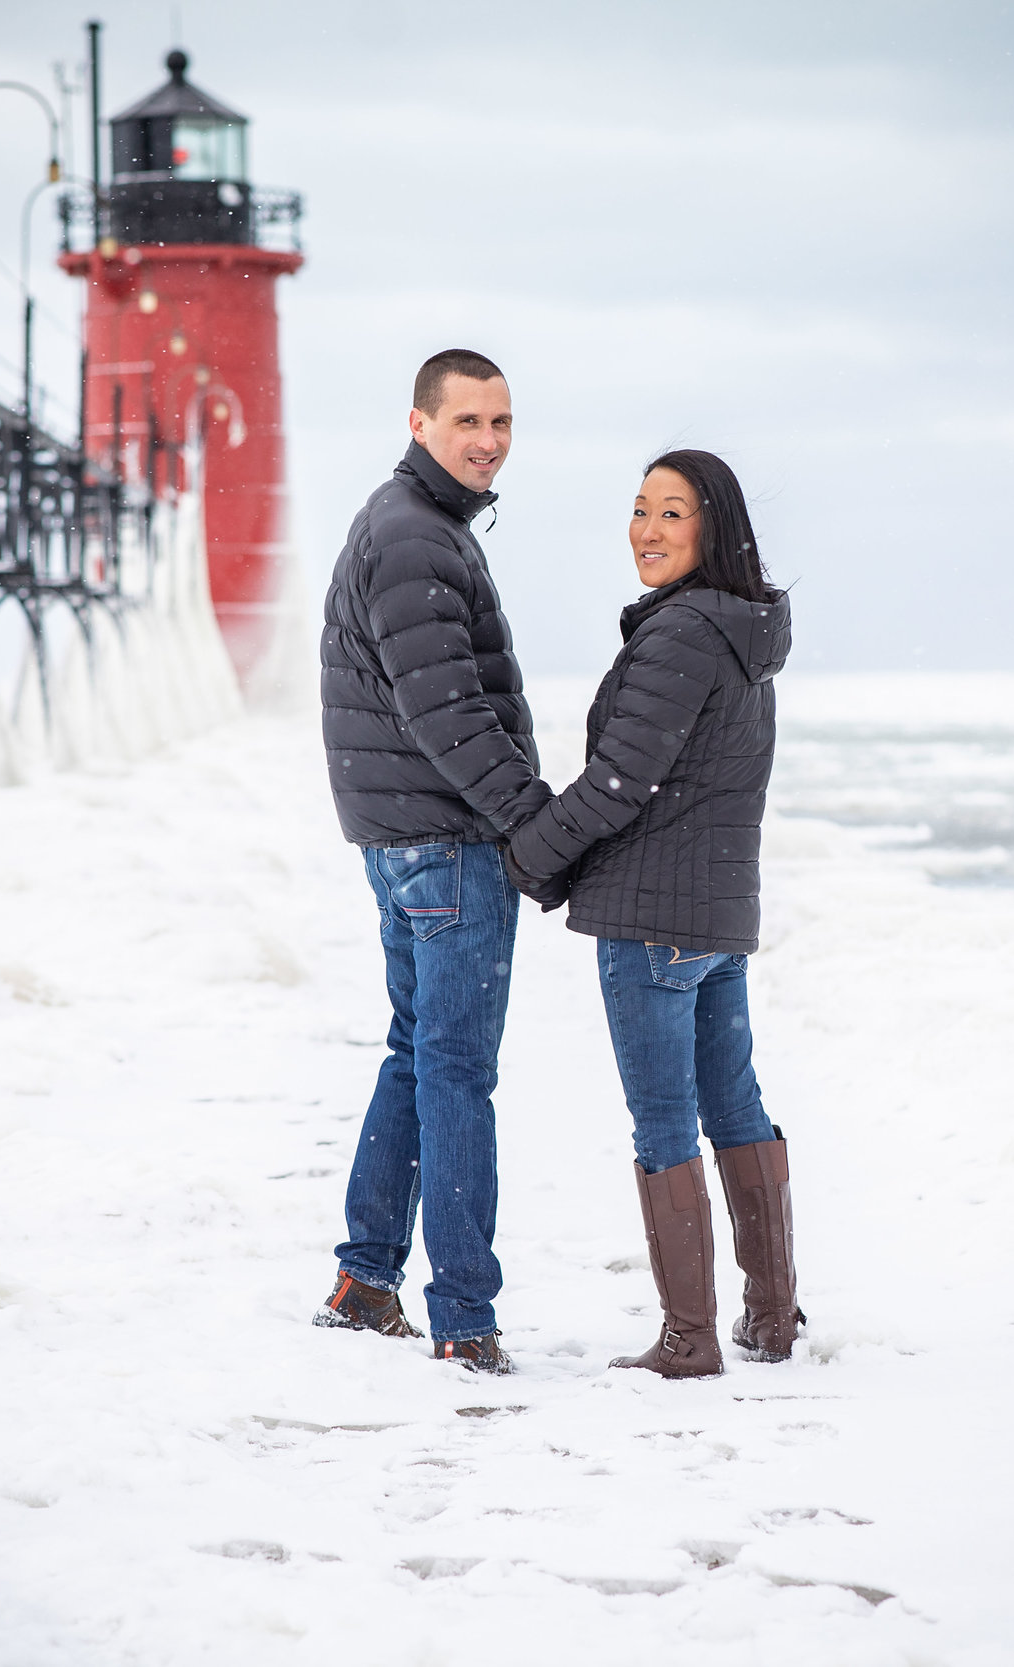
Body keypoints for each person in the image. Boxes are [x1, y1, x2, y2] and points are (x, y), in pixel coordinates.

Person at [507, 450, 799, 1380]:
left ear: (713, 529)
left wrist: (530, 857)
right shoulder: (744, 636)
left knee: (665, 1123)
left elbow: (619, 784)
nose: (647, 529)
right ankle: (771, 1316)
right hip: (716, 920)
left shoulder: (680, 635)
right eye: (639, 509)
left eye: (672, 513)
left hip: (652, 921)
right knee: (736, 1106)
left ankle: (689, 1336)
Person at [314, 349, 551, 1375]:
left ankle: (367, 1281)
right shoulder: (416, 537)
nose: (488, 441)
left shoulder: (410, 521)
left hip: (405, 837)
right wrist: (534, 828)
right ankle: (463, 1314)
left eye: (501, 421)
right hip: (446, 844)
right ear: (420, 423)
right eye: (468, 422)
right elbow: (448, 716)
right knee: (454, 1070)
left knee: (418, 1052)